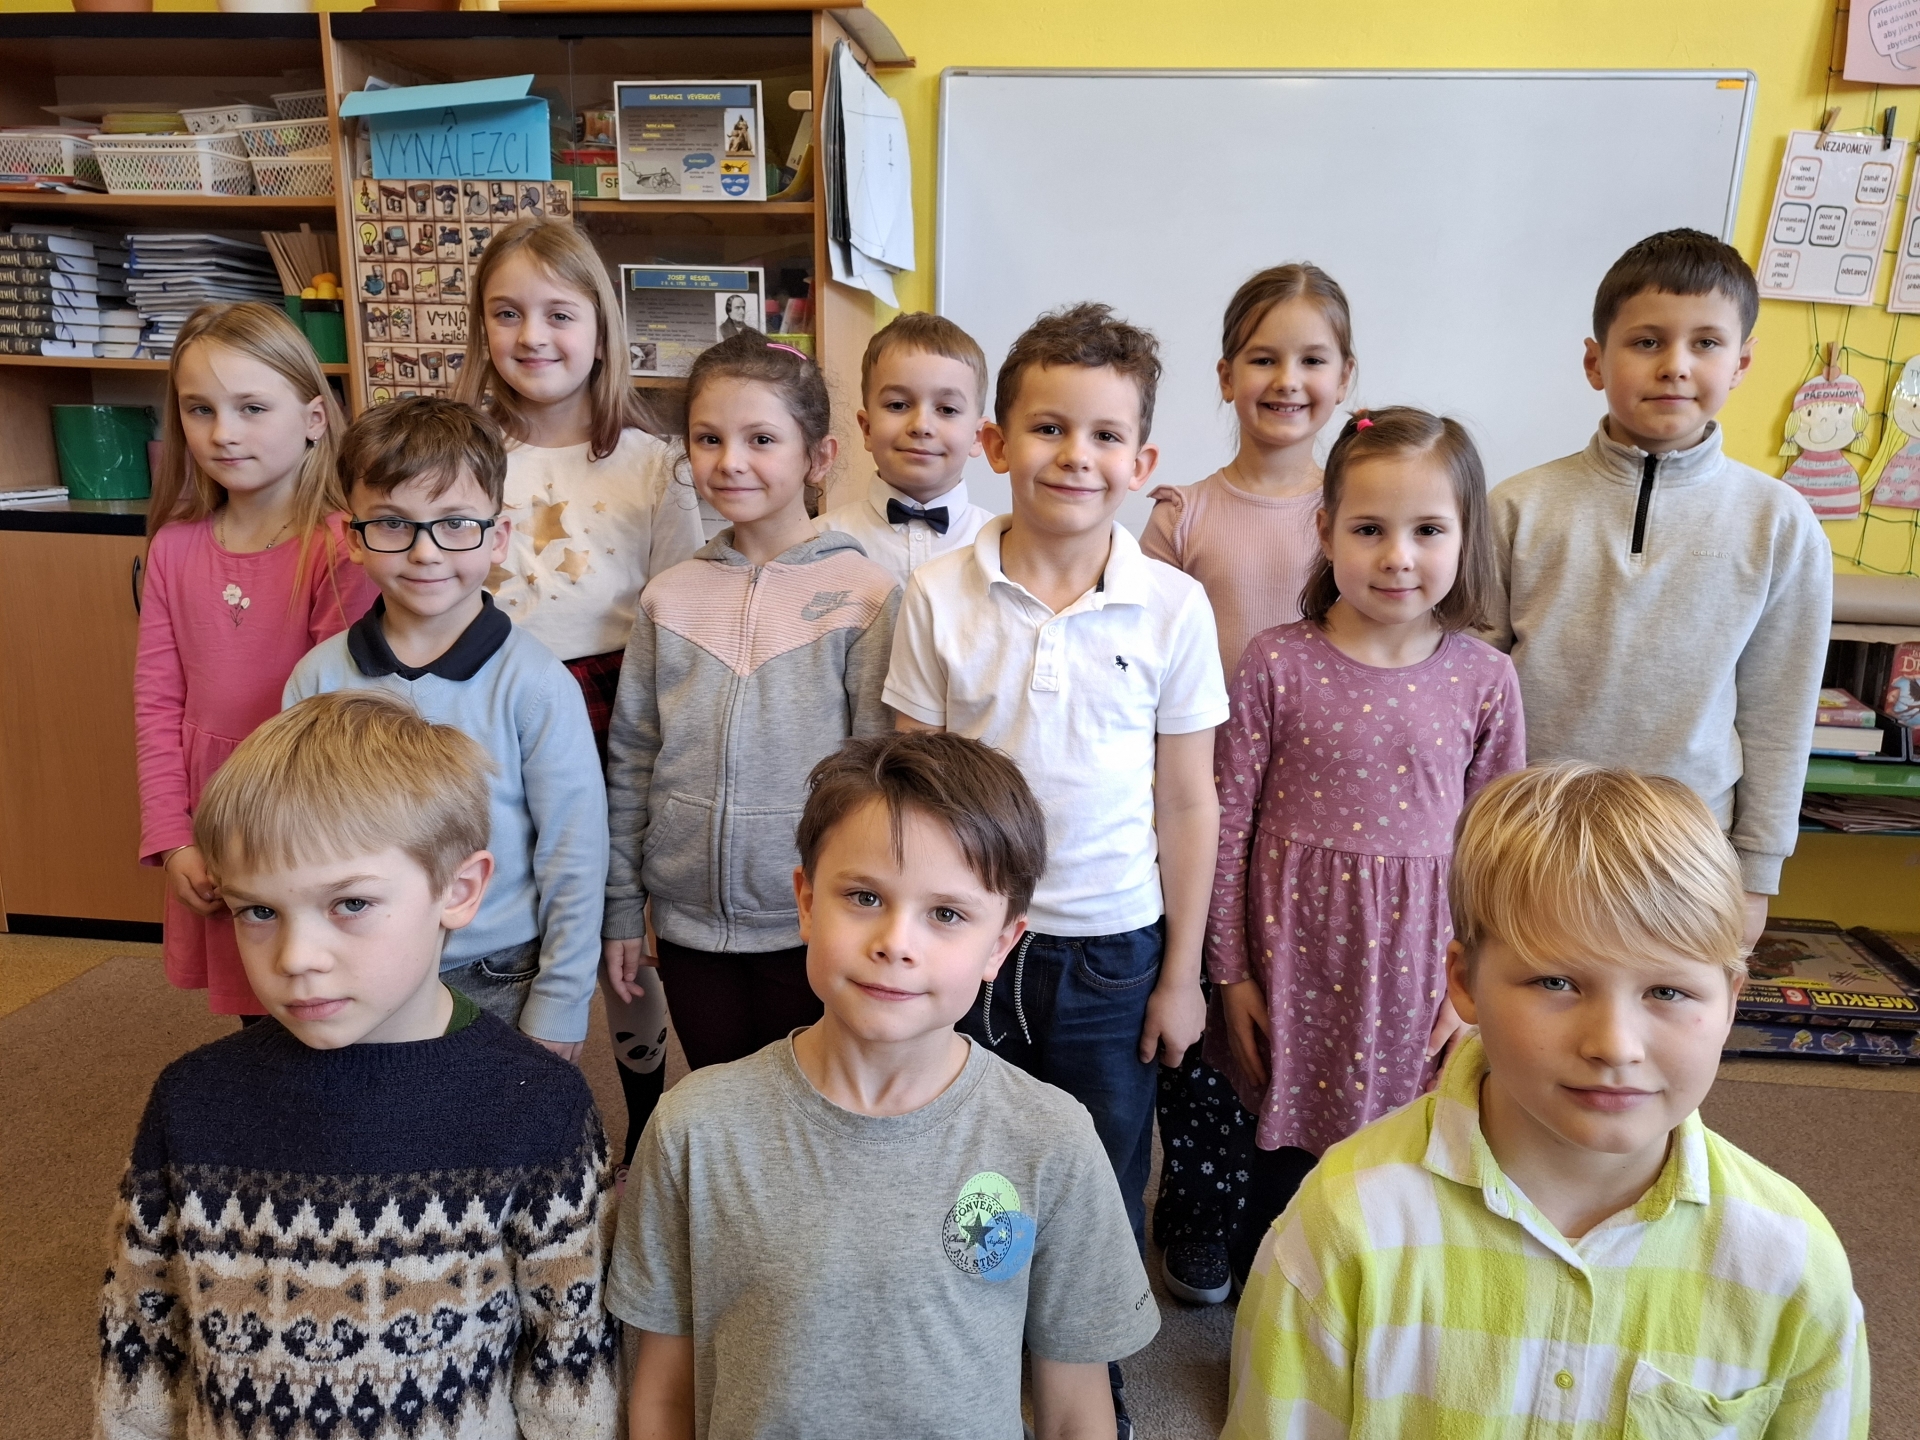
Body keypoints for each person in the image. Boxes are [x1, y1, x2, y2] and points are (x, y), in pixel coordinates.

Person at [1223, 763, 1871, 1439]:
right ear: (1464, 982)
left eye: (1668, 992)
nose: (1614, 1045)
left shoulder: (1792, 1265)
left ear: (1731, 1002)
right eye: (1556, 982)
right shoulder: (1344, 1224)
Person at [96, 692, 621, 1440]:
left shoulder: (538, 1106)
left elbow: (570, 1371)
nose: (296, 958)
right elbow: (141, 1346)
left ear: (458, 890)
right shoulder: (191, 1100)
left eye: (349, 903)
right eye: (259, 911)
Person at [610, 731, 1159, 1440]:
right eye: (865, 896)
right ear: (807, 903)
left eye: (946, 914)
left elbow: (1077, 1414)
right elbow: (663, 1396)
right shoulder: (693, 1129)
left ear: (1000, 944)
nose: (896, 942)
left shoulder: (1052, 1139)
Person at [884, 305, 1224, 1433]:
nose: (1076, 456)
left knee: (1102, 1173)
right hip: (974, 946)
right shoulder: (937, 594)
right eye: (1048, 428)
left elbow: (1189, 800)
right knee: (968, 1165)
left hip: (1113, 951)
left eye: (1105, 435)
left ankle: (1086, 1383)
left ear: (1143, 461)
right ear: (996, 444)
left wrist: (1181, 974)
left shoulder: (1173, 606)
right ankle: (979, 1364)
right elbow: (914, 793)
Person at [1206, 405, 1525, 1289]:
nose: (1398, 556)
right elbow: (1228, 825)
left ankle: (1384, 1312)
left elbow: (1498, 853)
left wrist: (1474, 994)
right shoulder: (1276, 663)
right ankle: (1274, 1314)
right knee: (1280, 1172)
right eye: (1369, 529)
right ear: (1326, 531)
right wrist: (1230, 973)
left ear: (1465, 537)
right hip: (1292, 962)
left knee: (1408, 1167)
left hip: (1420, 972)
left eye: (1428, 530)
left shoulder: (1485, 678)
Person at [1487, 229, 1832, 947]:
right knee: (1528, 1004)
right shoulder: (1517, 507)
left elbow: (1780, 712)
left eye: (1705, 343)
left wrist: (1757, 873)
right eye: (1647, 342)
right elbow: (1468, 689)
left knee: (1661, 1011)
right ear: (1595, 361)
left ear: (1741, 363)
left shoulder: (1780, 524)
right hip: (1529, 834)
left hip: (1687, 847)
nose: (1675, 365)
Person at [456, 216, 702, 1165]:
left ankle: (643, 1127)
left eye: (559, 313)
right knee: (499, 904)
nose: (533, 336)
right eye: (507, 313)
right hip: (483, 702)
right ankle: (497, 1106)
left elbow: (678, 611)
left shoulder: (654, 464)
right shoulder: (461, 452)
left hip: (609, 705)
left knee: (614, 924)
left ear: (603, 327)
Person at [1139, 262, 1357, 1306]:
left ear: (1346, 377)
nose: (1287, 380)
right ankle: (1198, 1205)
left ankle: (1300, 1206)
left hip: (1321, 813)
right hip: (1205, 803)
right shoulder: (1182, 514)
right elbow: (1139, 661)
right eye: (1263, 358)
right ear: (1225, 375)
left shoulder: (1362, 515)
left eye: (1312, 359)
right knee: (1205, 1005)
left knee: (1298, 1005)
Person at [603, 334, 898, 1075]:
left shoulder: (864, 594)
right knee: (715, 1091)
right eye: (709, 439)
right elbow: (633, 757)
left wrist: (868, 907)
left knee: (810, 1096)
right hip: (687, 922)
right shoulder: (669, 596)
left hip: (811, 920)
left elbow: (878, 772)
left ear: (818, 457)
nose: (730, 460)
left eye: (761, 439)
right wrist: (621, 906)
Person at [285, 397, 606, 1060]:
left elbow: (574, 856)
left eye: (456, 523)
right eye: (392, 524)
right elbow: (294, 845)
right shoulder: (316, 678)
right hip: (354, 965)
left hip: (496, 969)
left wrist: (563, 999)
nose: (425, 551)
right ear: (352, 536)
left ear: (499, 536)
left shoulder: (537, 685)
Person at [134, 301, 377, 1020]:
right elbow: (156, 703)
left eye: (251, 408)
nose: (224, 433)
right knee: (256, 1004)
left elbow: (337, 714)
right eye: (200, 410)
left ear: (312, 418)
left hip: (309, 807)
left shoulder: (342, 547)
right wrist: (174, 837)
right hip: (210, 808)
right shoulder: (174, 547)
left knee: (325, 993)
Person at [815, 311, 998, 586]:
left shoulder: (1003, 548)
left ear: (977, 437)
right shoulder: (819, 544)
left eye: (947, 409)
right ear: (867, 428)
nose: (921, 426)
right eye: (898, 405)